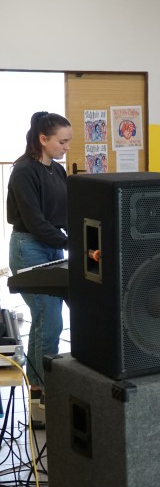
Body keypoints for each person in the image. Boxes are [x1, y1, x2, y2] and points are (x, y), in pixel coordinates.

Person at [7, 111, 71, 408]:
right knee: (49, 320)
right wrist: (70, 242)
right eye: (62, 141)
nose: (66, 147)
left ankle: (39, 386)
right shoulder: (24, 171)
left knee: (46, 320)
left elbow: (65, 215)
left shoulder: (57, 171)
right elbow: (34, 222)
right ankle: (43, 391)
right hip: (29, 248)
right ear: (43, 139)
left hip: (52, 247)